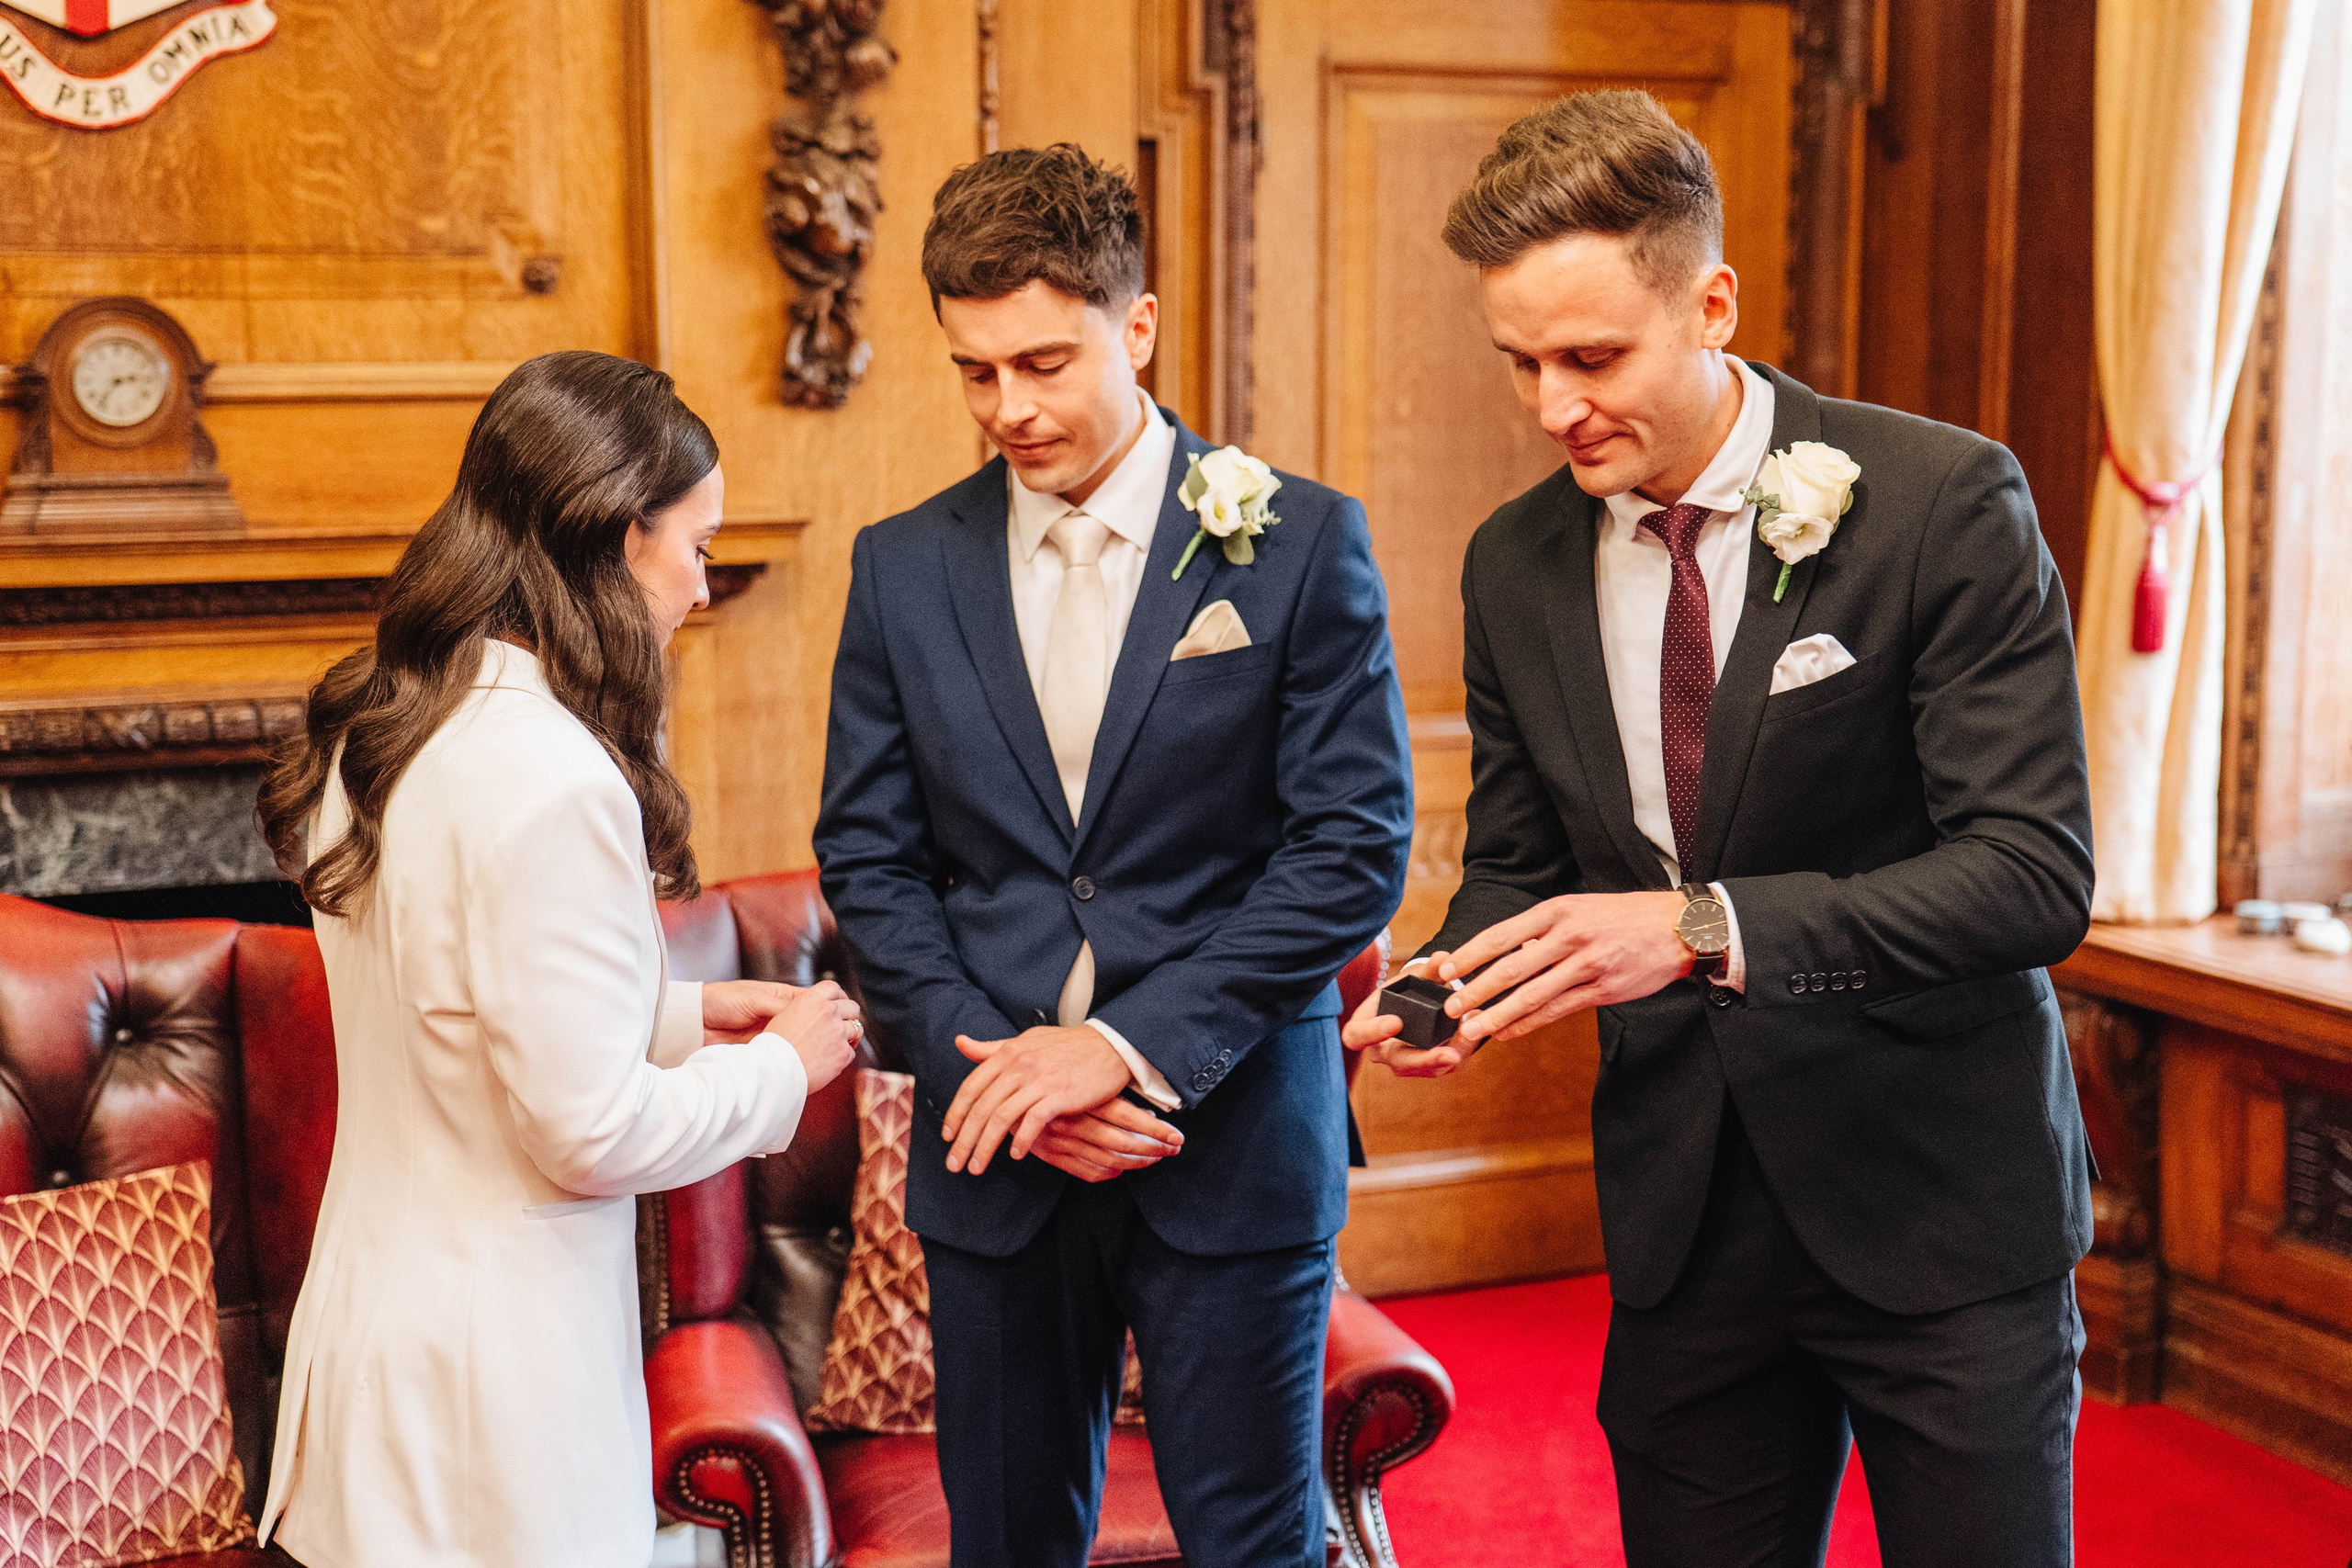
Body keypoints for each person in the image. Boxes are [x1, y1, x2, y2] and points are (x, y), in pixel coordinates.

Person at [1344, 91, 2097, 1568]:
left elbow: (2031, 876)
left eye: (1595, 357)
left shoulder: (1942, 501)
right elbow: (1523, 853)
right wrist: (1451, 977)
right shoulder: (1516, 562)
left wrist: (1704, 927)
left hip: (1940, 1209)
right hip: (1686, 1219)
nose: (1557, 406)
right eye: (1522, 363)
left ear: (1713, 302)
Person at [813, 145, 1412, 1568]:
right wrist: (1004, 1073)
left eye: (1043, 363)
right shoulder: (902, 567)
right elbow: (870, 860)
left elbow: (1350, 853)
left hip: (1235, 1144)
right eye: (974, 373)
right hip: (995, 1160)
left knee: (1253, 1548)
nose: (1008, 410)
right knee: (1009, 1546)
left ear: (1136, 326)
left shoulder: (1300, 543)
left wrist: (1124, 1048)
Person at [250, 350, 861, 1568]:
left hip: (376, 1342)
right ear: (617, 535)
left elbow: (450, 1002)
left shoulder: (380, 729)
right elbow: (587, 1135)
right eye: (697, 547)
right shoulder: (556, 778)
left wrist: (684, 1012)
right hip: (496, 1394)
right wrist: (784, 1072)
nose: (701, 586)